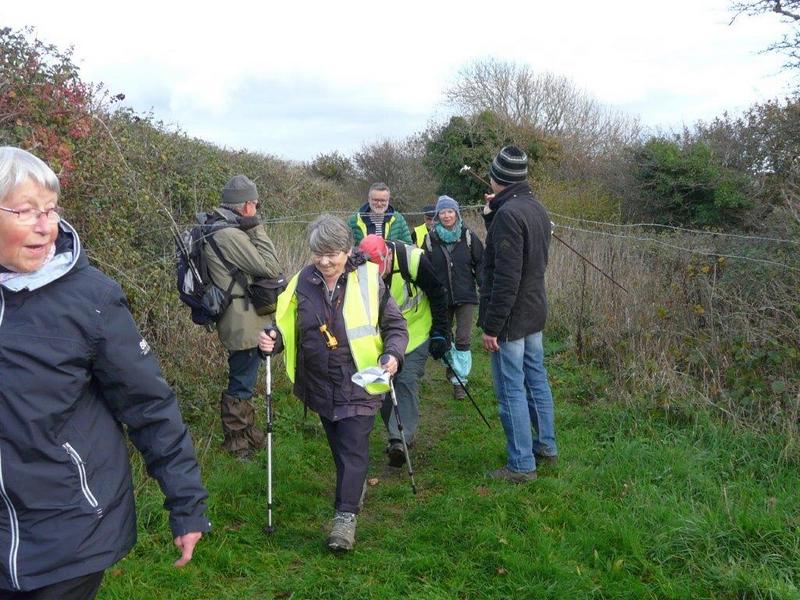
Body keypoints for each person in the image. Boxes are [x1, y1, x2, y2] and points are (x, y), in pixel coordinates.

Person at [0, 147, 210, 598]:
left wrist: (186, 503)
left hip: (68, 535)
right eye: (26, 211)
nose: (45, 226)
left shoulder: (92, 298)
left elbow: (148, 405)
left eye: (51, 210)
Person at [258, 215, 407, 552]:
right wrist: (271, 339)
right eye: (318, 254)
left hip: (361, 381)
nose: (324, 262)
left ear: (347, 250)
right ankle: (353, 489)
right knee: (341, 450)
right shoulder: (301, 283)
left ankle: (345, 519)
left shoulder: (369, 279)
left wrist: (393, 355)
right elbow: (284, 326)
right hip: (320, 384)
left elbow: (396, 326)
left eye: (332, 254)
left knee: (353, 449)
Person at [479, 145, 558, 484]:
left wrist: (492, 326)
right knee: (536, 378)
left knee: (511, 389)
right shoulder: (535, 208)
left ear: (497, 178)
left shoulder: (509, 215)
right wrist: (492, 214)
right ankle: (546, 447)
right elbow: (520, 255)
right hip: (534, 309)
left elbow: (506, 276)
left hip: (511, 317)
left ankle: (522, 465)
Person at [204, 175, 281, 458]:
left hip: (240, 316)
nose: (256, 208)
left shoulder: (217, 227)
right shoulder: (229, 235)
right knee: (241, 382)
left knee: (244, 378)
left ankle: (247, 433)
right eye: (255, 204)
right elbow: (271, 267)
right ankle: (237, 444)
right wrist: (256, 227)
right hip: (243, 320)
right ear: (247, 205)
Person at [358, 234, 450, 467]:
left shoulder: (415, 261)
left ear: (388, 255)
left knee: (406, 381)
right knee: (384, 386)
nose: (377, 276)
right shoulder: (356, 269)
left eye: (380, 270)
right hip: (384, 339)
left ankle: (399, 439)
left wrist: (441, 332)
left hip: (416, 333)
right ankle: (397, 432)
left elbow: (438, 294)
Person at [423, 195, 484, 399]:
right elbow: (424, 269)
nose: (447, 215)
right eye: (443, 212)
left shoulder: (468, 236)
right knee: (445, 338)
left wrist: (484, 286)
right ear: (437, 215)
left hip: (466, 295)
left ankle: (460, 382)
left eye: (450, 211)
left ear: (456, 213)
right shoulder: (430, 240)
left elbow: (481, 263)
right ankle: (452, 369)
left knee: (463, 338)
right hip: (441, 298)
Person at [347, 182, 412, 245]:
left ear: (388, 200)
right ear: (369, 199)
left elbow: (408, 244)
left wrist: (390, 247)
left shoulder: (398, 219)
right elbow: (346, 246)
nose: (379, 204)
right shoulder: (354, 220)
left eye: (383, 200)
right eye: (376, 200)